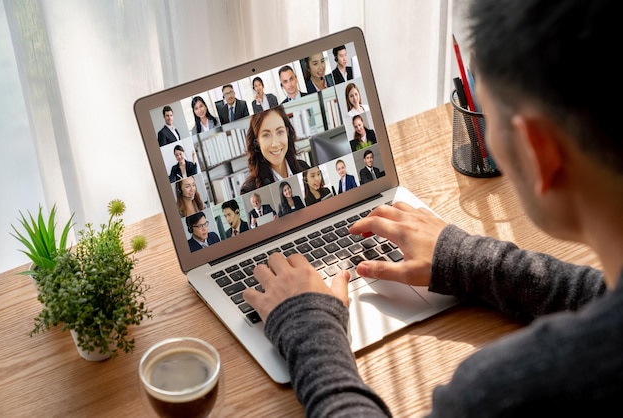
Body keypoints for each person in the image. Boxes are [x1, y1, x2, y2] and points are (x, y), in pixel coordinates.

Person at [243, 0, 623, 416]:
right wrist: (470, 260)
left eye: (489, 116)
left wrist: (309, 328)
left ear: (538, 153)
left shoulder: (501, 394)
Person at [240, 106, 311, 194]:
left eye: (280, 132)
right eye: (266, 135)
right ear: (257, 141)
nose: (275, 144)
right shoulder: (250, 191)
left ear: (287, 132)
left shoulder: (304, 167)